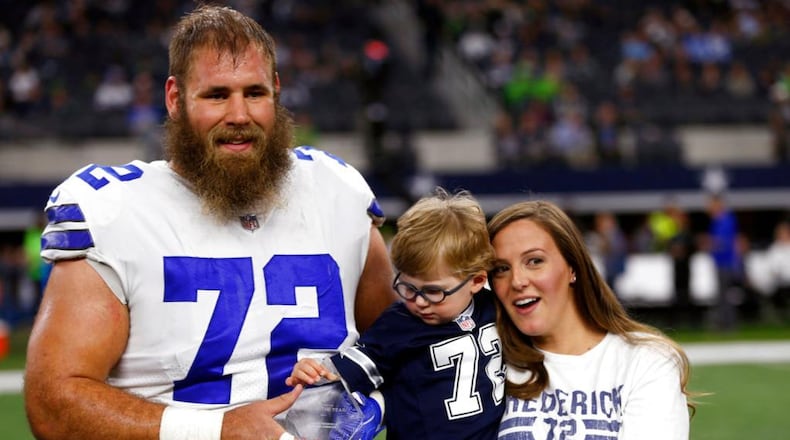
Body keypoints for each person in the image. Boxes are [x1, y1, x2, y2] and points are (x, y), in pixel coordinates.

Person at [23, 5, 395, 440]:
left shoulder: (336, 191)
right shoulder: (115, 210)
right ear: (175, 99)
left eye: (254, 93)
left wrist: (372, 401)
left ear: (276, 91)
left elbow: (402, 343)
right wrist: (215, 429)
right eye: (217, 95)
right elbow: (53, 401)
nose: (239, 115)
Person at [286, 188, 505, 439]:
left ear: (476, 281)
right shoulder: (399, 324)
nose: (419, 301)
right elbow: (347, 370)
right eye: (408, 288)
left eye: (433, 291)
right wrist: (313, 370)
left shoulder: (495, 307)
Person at [487, 200, 693, 439]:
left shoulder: (647, 361)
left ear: (572, 267)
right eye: (501, 268)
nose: (517, 281)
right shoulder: (486, 363)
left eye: (535, 261)